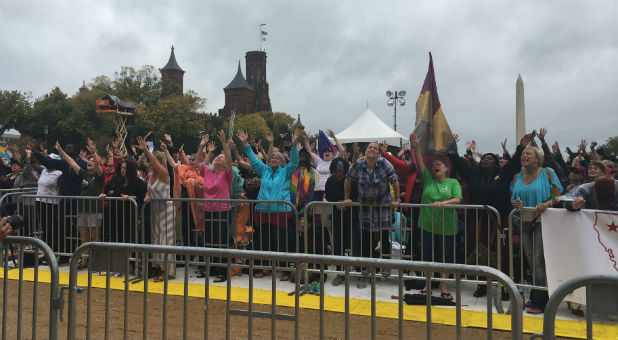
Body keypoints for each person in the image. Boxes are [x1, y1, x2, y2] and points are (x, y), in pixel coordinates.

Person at [237, 129, 300, 280]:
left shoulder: (286, 172)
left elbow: (295, 162)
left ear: (282, 161)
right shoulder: (264, 170)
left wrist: (294, 144)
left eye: (277, 158)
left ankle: (284, 269)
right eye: (272, 157)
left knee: (281, 241)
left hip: (281, 211)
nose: (274, 159)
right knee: (264, 241)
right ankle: (265, 268)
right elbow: (252, 159)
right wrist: (245, 143)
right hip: (263, 210)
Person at [511, 146, 563, 314]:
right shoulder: (518, 176)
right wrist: (516, 204)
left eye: (528, 153)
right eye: (523, 153)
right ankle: (536, 295)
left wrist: (547, 204)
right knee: (531, 259)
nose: (524, 155)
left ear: (537, 158)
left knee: (539, 260)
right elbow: (513, 199)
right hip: (524, 220)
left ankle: (541, 302)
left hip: (543, 220)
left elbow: (557, 194)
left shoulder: (547, 172)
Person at [410, 133, 462, 300]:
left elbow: (458, 199)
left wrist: (443, 203)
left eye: (439, 164)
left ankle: (444, 287)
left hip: (447, 227)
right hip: (427, 226)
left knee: (445, 259)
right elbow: (419, 161)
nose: (435, 166)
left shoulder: (452, 183)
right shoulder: (428, 180)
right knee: (428, 258)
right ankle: (427, 285)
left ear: (446, 168)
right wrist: (417, 146)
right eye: (433, 165)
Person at [344, 141, 400, 288]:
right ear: (366, 150)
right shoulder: (359, 165)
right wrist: (347, 197)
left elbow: (394, 180)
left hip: (382, 205)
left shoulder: (384, 163)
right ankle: (367, 266)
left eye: (375, 148)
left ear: (379, 152)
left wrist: (397, 199)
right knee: (367, 238)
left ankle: (385, 265)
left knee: (384, 236)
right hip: (366, 206)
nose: (372, 150)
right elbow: (348, 179)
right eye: (370, 147)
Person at [55, 139, 104, 268]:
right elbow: (71, 162)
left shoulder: (99, 176)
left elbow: (99, 167)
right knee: (84, 238)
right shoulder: (84, 174)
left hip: (94, 210)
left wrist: (94, 154)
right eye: (89, 161)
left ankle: (100, 262)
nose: (90, 162)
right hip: (82, 209)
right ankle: (84, 262)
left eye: (93, 161)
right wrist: (60, 151)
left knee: (95, 237)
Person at [136, 136, 176, 282]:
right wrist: (147, 195)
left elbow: (154, 163)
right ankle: (158, 267)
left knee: (165, 240)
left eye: (156, 161)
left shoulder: (165, 174)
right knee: (156, 240)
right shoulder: (151, 175)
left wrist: (146, 149)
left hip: (166, 210)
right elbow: (149, 189)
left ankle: (166, 270)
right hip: (155, 210)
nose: (153, 163)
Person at [196, 131, 234, 282]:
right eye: (217, 156)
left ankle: (223, 272)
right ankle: (210, 269)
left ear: (225, 163)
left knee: (222, 242)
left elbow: (230, 161)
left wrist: (224, 144)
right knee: (209, 242)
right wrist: (201, 146)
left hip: (223, 212)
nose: (219, 156)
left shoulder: (227, 173)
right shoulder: (208, 172)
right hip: (209, 211)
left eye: (221, 157)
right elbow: (198, 162)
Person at [100, 158, 147, 244]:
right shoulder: (118, 180)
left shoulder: (138, 183)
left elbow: (142, 197)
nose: (122, 170)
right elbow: (109, 190)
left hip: (129, 217)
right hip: (115, 216)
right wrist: (106, 195)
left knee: (128, 240)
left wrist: (129, 197)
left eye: (125, 168)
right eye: (122, 168)